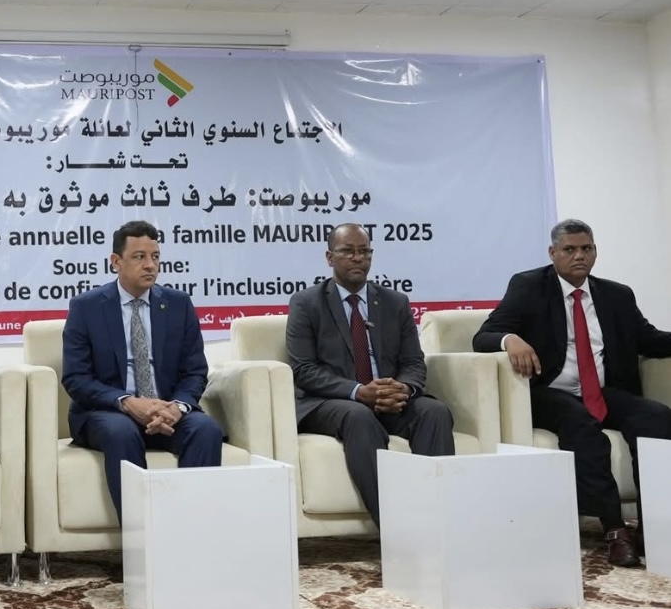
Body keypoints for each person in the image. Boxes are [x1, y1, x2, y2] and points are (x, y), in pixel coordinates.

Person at [474, 219, 671, 567]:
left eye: (586, 249)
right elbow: (484, 336)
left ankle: (654, 526)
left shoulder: (617, 295)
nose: (579, 256)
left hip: (603, 390)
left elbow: (649, 339)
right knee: (580, 423)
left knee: (656, 417)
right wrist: (510, 339)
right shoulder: (528, 286)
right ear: (553, 253)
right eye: (569, 249)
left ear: (595, 251)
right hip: (549, 390)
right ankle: (615, 529)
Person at [286, 223, 454, 527]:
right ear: (329, 257)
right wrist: (358, 391)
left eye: (364, 251)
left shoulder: (395, 302)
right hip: (332, 402)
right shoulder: (307, 303)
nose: (357, 258)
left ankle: (437, 521)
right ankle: (395, 527)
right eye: (348, 251)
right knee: (359, 416)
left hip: (388, 398)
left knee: (434, 412)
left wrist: (402, 389)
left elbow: (414, 362)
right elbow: (304, 370)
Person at [61, 220, 223, 521]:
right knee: (121, 432)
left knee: (206, 429)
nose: (150, 265)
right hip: (110, 412)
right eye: (139, 257)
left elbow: (195, 371)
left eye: (155, 256)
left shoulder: (178, 304)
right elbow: (76, 379)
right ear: (116, 261)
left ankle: (193, 528)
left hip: (166, 410)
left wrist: (177, 407)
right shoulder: (87, 307)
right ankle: (141, 536)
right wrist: (127, 402)